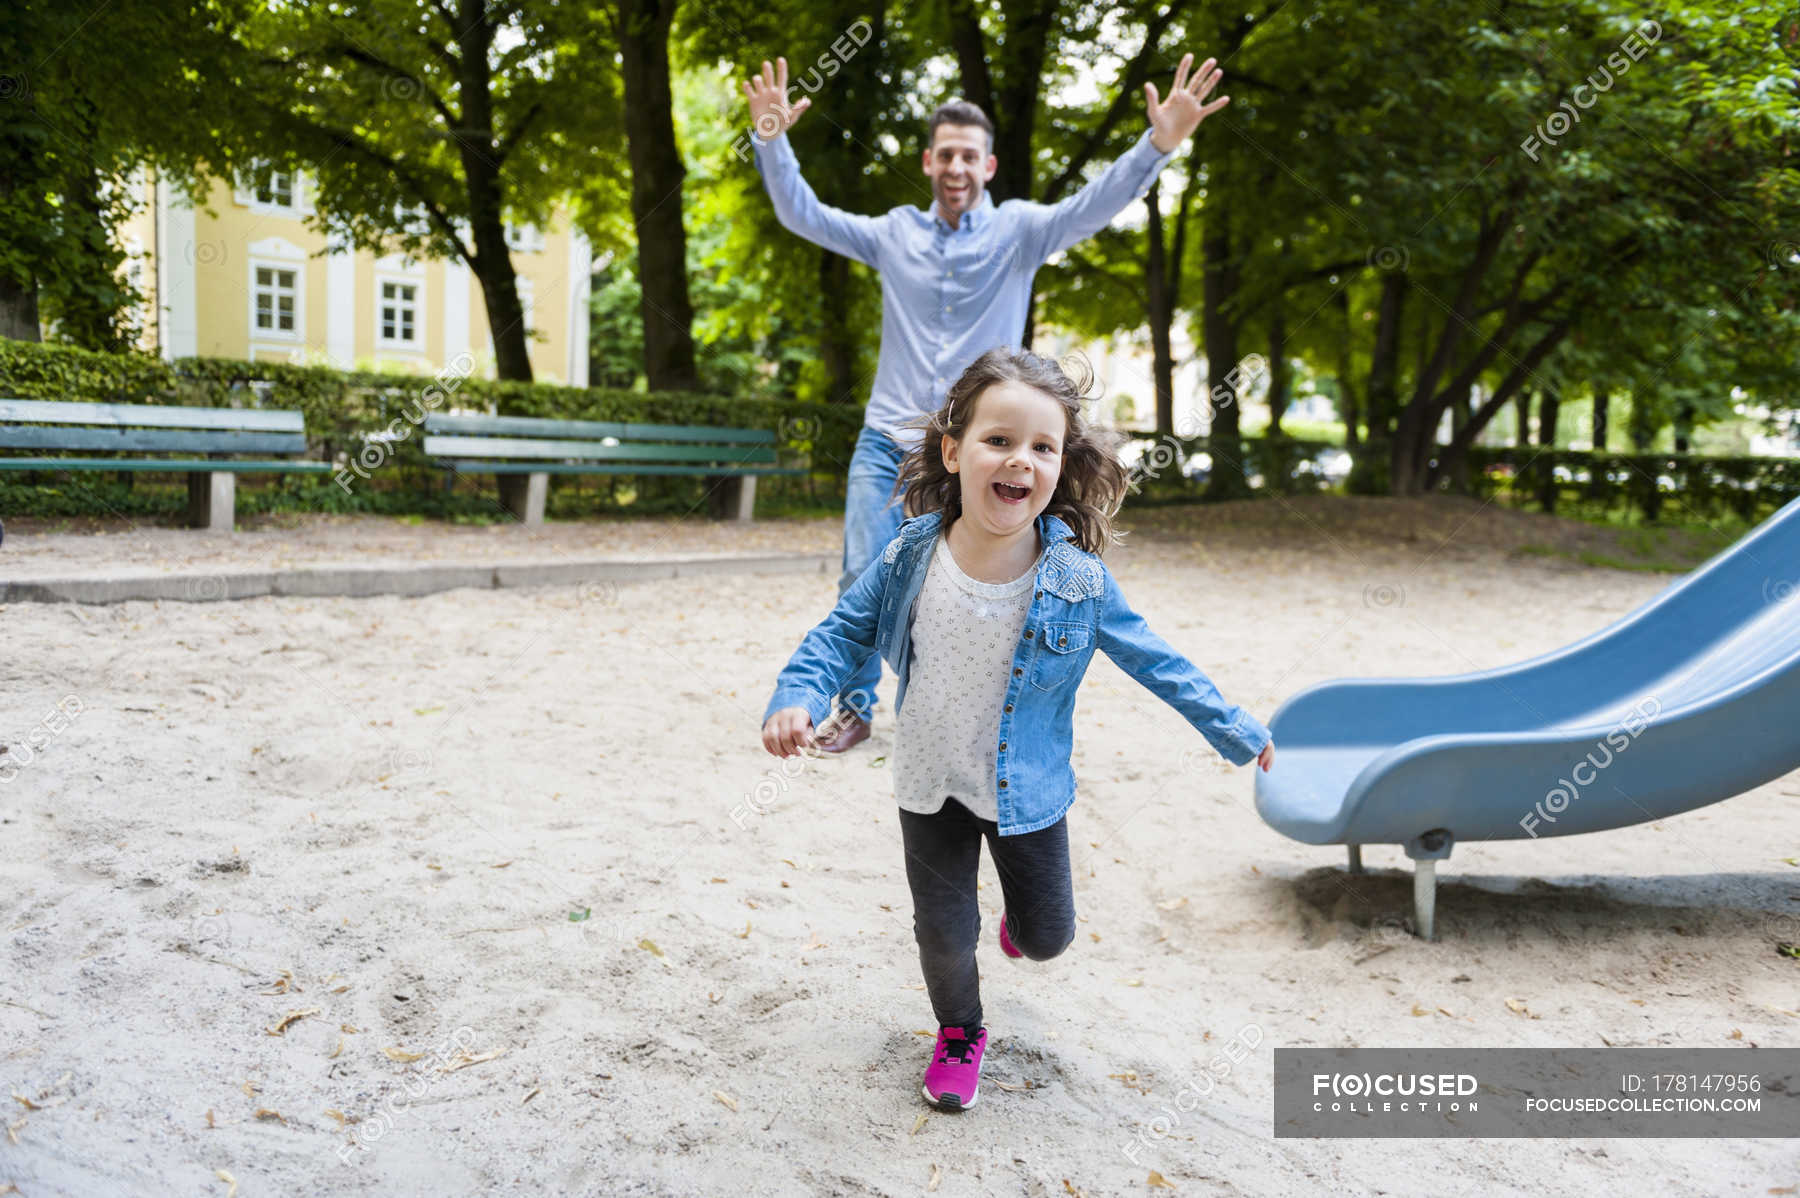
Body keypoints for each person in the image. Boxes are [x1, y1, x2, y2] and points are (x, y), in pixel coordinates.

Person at [758, 346, 1275, 1112]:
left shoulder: (1078, 581)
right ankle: (960, 1031)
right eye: (999, 440)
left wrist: (1233, 729)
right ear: (953, 449)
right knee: (942, 933)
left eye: (1043, 446)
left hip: (1026, 793)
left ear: (1062, 466)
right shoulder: (909, 554)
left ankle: (1019, 927)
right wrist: (797, 692)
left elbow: (1158, 661)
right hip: (929, 786)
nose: (1020, 461)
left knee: (1046, 939)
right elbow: (842, 631)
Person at [742, 51, 1232, 754]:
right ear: (929, 161)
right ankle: (853, 708)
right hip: (888, 439)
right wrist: (771, 138)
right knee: (861, 571)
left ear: (989, 167)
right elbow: (802, 213)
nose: (956, 168)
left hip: (979, 450)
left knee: (973, 578)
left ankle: (962, 704)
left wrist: (1157, 145)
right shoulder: (892, 235)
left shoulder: (1021, 232)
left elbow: (1095, 204)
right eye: (945, 155)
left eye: (970, 157)